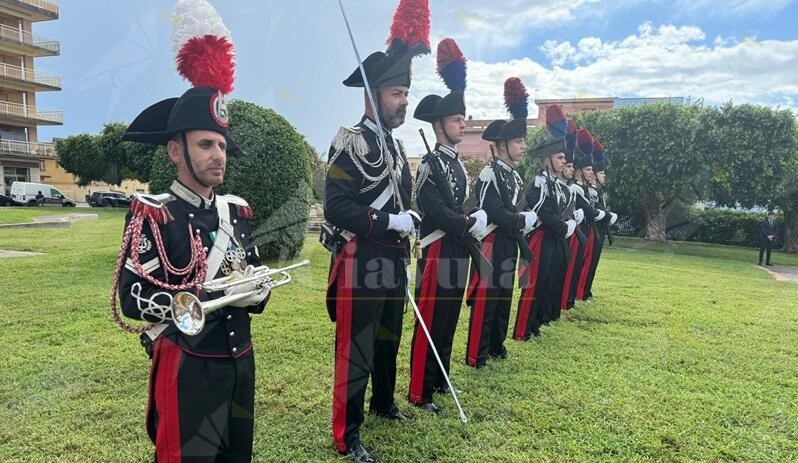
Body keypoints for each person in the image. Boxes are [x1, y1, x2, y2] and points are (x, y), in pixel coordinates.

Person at [110, 1, 271, 461]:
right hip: (188, 364)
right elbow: (130, 296)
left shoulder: (236, 212)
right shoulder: (154, 213)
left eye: (221, 145)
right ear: (174, 151)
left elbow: (256, 277)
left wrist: (256, 290)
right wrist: (192, 299)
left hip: (241, 358)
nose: (217, 155)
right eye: (205, 144)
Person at [323, 2, 428, 460]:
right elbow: (337, 206)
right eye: (397, 94)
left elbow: (406, 200)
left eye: (405, 93)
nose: (404, 101)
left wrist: (411, 223)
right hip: (360, 258)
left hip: (393, 258)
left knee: (389, 336)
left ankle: (384, 403)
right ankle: (348, 434)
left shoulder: (397, 145)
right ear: (372, 94)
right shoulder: (350, 140)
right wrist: (388, 221)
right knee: (358, 346)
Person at [409, 38, 486, 413]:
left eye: (462, 118)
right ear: (439, 124)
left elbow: (465, 203)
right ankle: (420, 391)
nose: (463, 124)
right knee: (430, 318)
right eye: (457, 120)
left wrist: (474, 218)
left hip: (459, 248)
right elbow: (436, 212)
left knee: (450, 315)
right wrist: (469, 221)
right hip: (438, 247)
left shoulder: (456, 165)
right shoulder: (428, 164)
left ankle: (439, 379)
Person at [465, 77, 537, 367]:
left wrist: (523, 220)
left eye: (523, 140)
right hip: (492, 243)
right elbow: (495, 213)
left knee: (504, 295)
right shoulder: (490, 174)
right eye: (518, 141)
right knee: (486, 299)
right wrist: (523, 219)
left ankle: (496, 344)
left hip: (509, 243)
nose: (523, 146)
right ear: (502, 145)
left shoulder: (514, 177)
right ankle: (477, 353)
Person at [513, 108, 574, 340]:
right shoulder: (539, 181)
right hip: (539, 238)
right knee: (533, 285)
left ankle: (535, 323)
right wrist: (563, 227)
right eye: (559, 158)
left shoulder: (556, 184)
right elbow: (544, 212)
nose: (563, 161)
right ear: (547, 159)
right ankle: (522, 330)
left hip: (552, 239)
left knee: (546, 282)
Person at [583, 139, 618, 299]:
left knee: (593, 263)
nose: (604, 176)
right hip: (593, 229)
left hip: (600, 230)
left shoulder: (598, 190)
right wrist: (607, 215)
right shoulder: (589, 190)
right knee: (587, 263)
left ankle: (586, 289)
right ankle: (582, 291)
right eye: (602, 173)